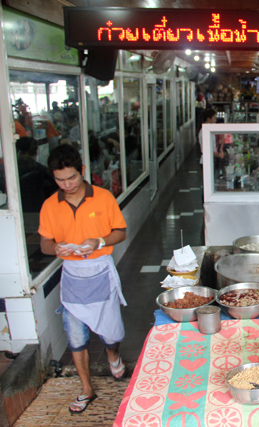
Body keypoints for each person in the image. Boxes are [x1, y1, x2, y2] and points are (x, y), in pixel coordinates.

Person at [38, 145, 127, 414]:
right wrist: (55, 248)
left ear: (83, 171)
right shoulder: (50, 205)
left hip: (100, 270)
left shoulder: (102, 197)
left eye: (72, 178)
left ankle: (113, 354)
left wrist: (99, 241)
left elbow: (120, 232)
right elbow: (44, 242)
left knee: (110, 333)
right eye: (60, 179)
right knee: (76, 336)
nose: (67, 184)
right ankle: (86, 388)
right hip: (73, 276)